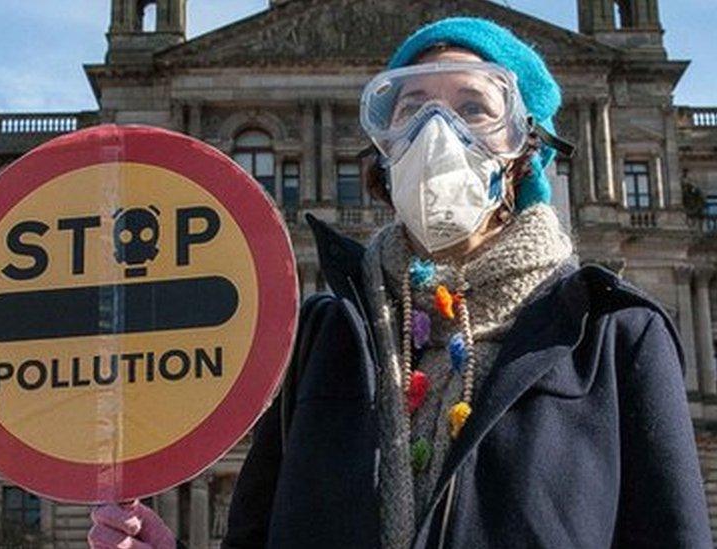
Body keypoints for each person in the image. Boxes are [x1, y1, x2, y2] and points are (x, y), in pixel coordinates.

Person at [88, 17, 712, 549]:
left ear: (524, 149)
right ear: (383, 149)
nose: (437, 134)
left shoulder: (613, 334)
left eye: (473, 108)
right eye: (411, 110)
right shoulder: (322, 338)